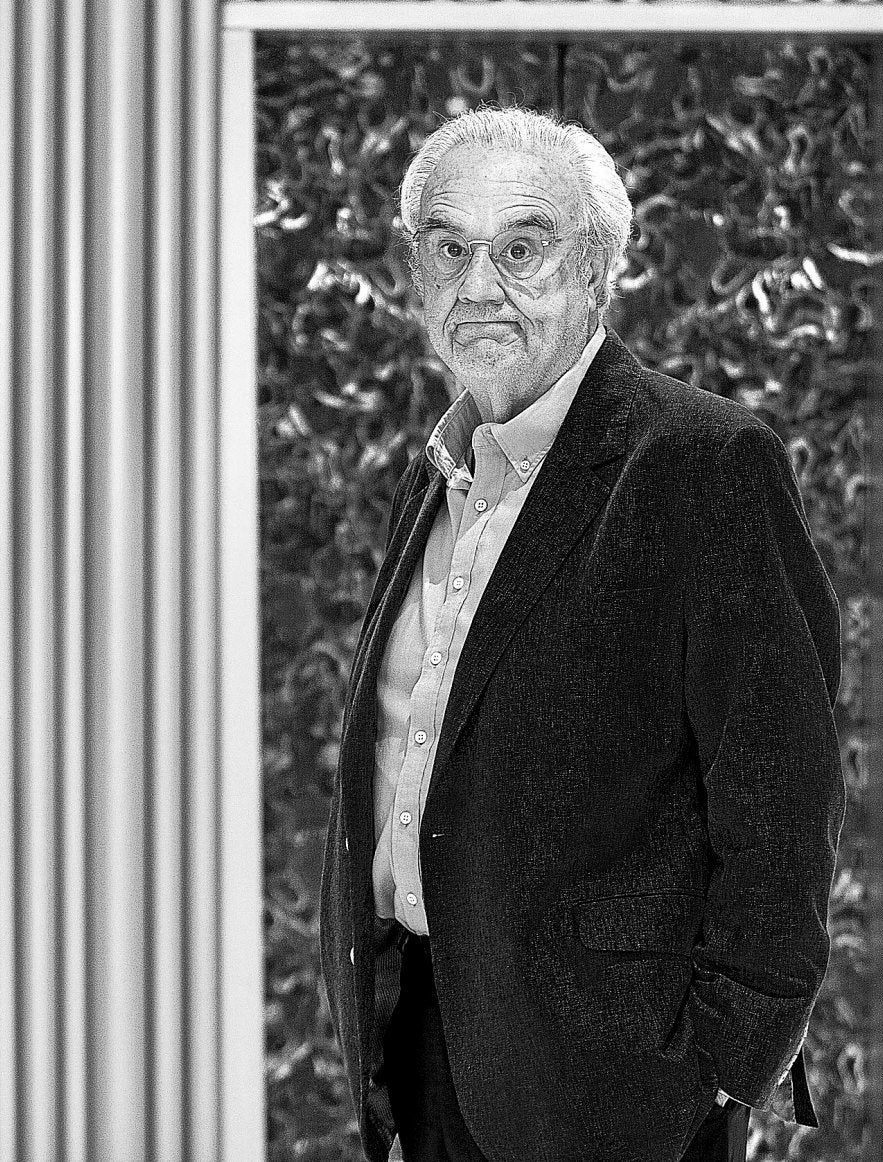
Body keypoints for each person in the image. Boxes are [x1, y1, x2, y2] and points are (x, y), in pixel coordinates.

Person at [319, 106, 845, 1162]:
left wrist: (726, 1065)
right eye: (449, 249)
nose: (478, 286)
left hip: (620, 1083)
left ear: (598, 269)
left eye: (522, 249)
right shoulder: (434, 474)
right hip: (423, 1042)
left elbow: (781, 797)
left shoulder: (703, 465)